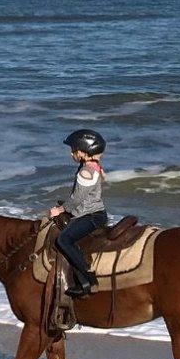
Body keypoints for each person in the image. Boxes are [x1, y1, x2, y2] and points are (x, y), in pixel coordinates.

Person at [49, 127, 108, 298]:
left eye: (74, 150)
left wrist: (59, 209)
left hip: (91, 216)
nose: (71, 154)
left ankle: (89, 280)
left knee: (64, 239)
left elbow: (76, 199)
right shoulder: (92, 165)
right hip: (91, 212)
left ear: (83, 152)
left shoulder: (86, 172)